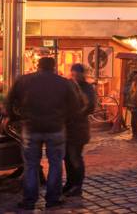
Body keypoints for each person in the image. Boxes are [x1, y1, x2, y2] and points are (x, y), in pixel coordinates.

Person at [6, 56, 82, 211]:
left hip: (31, 127)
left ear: (37, 66)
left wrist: (16, 117)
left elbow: (9, 101)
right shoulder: (64, 83)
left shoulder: (24, 81)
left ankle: (29, 201)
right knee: (55, 163)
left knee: (31, 165)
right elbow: (75, 107)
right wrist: (64, 119)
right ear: (53, 67)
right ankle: (53, 200)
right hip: (55, 128)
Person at [63, 63, 97, 198]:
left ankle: (77, 185)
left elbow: (90, 106)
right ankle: (70, 183)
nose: (75, 76)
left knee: (75, 157)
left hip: (79, 128)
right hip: (66, 127)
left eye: (77, 74)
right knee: (67, 157)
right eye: (73, 73)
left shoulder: (87, 87)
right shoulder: (68, 85)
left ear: (83, 74)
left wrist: (76, 114)